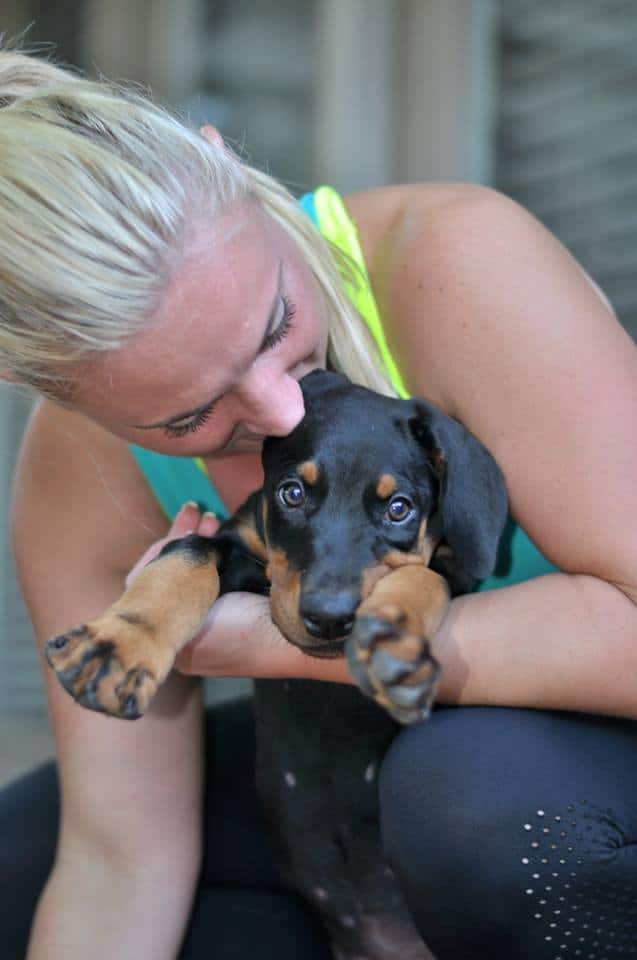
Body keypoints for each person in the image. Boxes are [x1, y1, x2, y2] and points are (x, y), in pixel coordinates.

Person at [0, 46, 636, 960]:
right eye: (191, 414)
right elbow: (119, 859)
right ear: (57, 390)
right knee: (20, 864)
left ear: (227, 165)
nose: (277, 410)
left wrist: (260, 641)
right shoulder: (78, 466)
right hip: (354, 834)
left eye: (274, 328)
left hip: (548, 803)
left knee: (470, 799)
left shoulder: (456, 263)